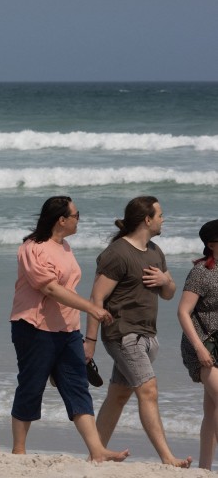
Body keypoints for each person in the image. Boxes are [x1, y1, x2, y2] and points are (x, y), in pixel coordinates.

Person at [9, 196, 128, 462]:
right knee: (31, 386)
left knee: (77, 387)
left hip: (67, 329)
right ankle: (18, 450)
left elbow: (66, 288)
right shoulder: (32, 248)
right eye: (76, 215)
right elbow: (50, 288)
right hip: (34, 326)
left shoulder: (65, 247)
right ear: (61, 219)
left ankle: (97, 451)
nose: (78, 219)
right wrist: (91, 308)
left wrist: (85, 333)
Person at [84, 196, 191, 467]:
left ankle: (95, 454)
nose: (163, 219)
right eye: (160, 214)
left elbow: (168, 294)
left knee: (119, 395)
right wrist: (90, 341)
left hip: (147, 335)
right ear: (147, 219)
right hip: (122, 333)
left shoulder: (155, 250)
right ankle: (167, 458)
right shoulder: (117, 254)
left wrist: (166, 280)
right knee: (148, 390)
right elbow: (96, 299)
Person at [177, 219, 218, 470]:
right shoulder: (201, 272)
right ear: (212, 244)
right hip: (203, 344)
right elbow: (183, 312)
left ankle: (204, 470)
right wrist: (200, 348)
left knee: (212, 411)